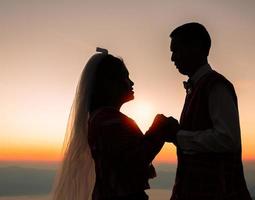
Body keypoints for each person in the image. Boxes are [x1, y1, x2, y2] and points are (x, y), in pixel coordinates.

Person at [52, 48, 174, 200]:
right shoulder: (109, 122)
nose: (131, 82)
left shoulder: (101, 119)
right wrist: (158, 129)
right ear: (109, 84)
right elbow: (135, 162)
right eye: (125, 77)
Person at [165, 23, 252, 199]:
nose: (172, 58)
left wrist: (178, 136)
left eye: (177, 50)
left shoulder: (216, 85)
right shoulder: (197, 87)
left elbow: (227, 139)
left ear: (196, 48)